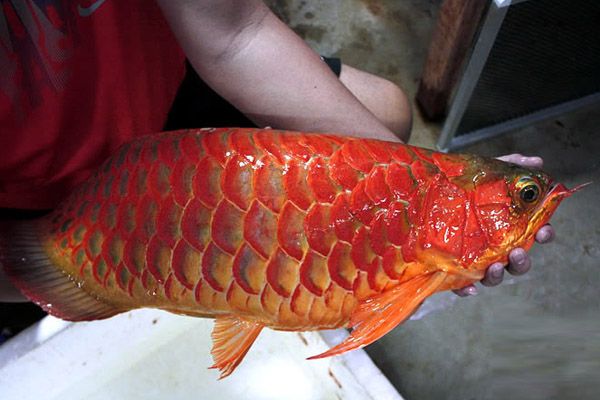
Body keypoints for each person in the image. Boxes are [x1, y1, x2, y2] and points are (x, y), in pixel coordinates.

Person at [0, 0, 553, 304]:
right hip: (36, 191)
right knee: (57, 274)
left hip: (170, 82)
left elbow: (234, 34)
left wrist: (420, 185)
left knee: (388, 110)